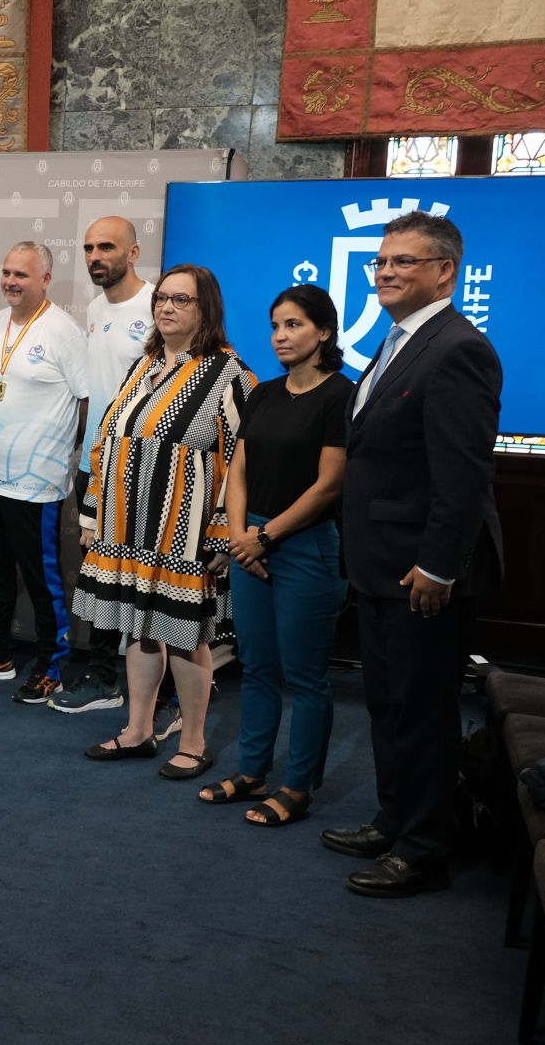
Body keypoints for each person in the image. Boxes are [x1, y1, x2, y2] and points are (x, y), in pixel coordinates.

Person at [322, 211, 502, 898]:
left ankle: (425, 849)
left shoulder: (457, 347)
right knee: (388, 703)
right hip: (378, 562)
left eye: (405, 262)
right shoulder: (397, 341)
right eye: (382, 261)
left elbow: (461, 476)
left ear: (445, 272)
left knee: (423, 711)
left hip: (423, 573)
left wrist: (438, 566)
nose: (388, 272)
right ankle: (394, 820)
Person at [75, 264, 254, 777]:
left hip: (184, 530)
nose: (167, 307)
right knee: (141, 630)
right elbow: (108, 441)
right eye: (162, 299)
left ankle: (194, 742)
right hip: (125, 526)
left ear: (207, 309)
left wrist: (224, 530)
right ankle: (138, 731)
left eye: (182, 300)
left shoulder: (230, 373)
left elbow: (241, 463)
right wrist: (91, 512)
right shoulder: (144, 363)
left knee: (183, 636)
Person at [200, 285, 352, 826]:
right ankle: (252, 772)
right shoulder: (263, 393)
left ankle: (298, 786)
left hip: (305, 544)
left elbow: (329, 485)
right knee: (259, 667)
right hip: (252, 542)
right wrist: (241, 534)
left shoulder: (342, 395)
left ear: (324, 332)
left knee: (305, 675)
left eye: (293, 325)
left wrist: (265, 539)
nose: (280, 336)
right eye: (275, 325)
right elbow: (238, 468)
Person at [0, 242, 89, 703]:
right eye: (7, 272)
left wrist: (62, 451)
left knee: (42, 577)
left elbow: (87, 401)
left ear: (45, 279)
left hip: (34, 481)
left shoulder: (64, 332)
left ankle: (52, 664)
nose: (10, 281)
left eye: (22, 275)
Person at [51, 214, 156, 715]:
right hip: (96, 460)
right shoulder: (93, 308)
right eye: (89, 247)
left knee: (137, 573)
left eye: (107, 247)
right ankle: (101, 672)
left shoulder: (158, 305)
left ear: (133, 253)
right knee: (97, 571)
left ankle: (144, 684)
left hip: (141, 464)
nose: (96, 256)